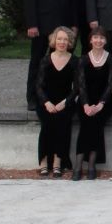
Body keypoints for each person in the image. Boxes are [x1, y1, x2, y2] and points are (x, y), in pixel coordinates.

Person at [24, 0, 79, 108]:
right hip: (41, 25)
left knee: (63, 62)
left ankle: (58, 94)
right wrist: (32, 24)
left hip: (64, 26)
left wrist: (74, 24)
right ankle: (32, 97)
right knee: (38, 61)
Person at [35, 24, 78, 177]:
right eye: (59, 39)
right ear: (54, 40)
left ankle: (58, 162)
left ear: (69, 42)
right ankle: (44, 162)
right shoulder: (45, 60)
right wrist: (47, 103)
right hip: (46, 102)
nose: (62, 42)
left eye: (65, 39)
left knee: (62, 126)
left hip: (65, 102)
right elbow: (38, 86)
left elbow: (77, 88)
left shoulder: (74, 61)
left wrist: (64, 103)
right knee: (47, 126)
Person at [72, 27, 112, 180]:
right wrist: (86, 105)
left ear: (105, 41)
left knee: (96, 123)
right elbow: (80, 86)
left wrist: (101, 104)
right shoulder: (83, 59)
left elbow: (110, 85)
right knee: (87, 124)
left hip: (104, 101)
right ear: (90, 40)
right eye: (95, 37)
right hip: (85, 101)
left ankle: (90, 164)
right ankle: (80, 164)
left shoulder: (111, 59)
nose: (98, 40)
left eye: (102, 38)